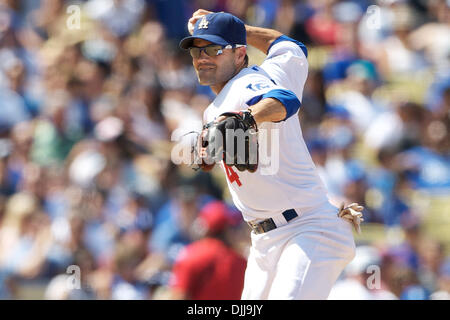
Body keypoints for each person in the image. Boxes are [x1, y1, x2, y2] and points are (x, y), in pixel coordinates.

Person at [179, 9, 363, 299]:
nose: (202, 58)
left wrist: (247, 119)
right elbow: (290, 46)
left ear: (240, 55)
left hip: (308, 228)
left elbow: (284, 100)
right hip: (266, 240)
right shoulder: (275, 71)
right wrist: (236, 29)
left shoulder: (245, 86)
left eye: (214, 49)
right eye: (197, 51)